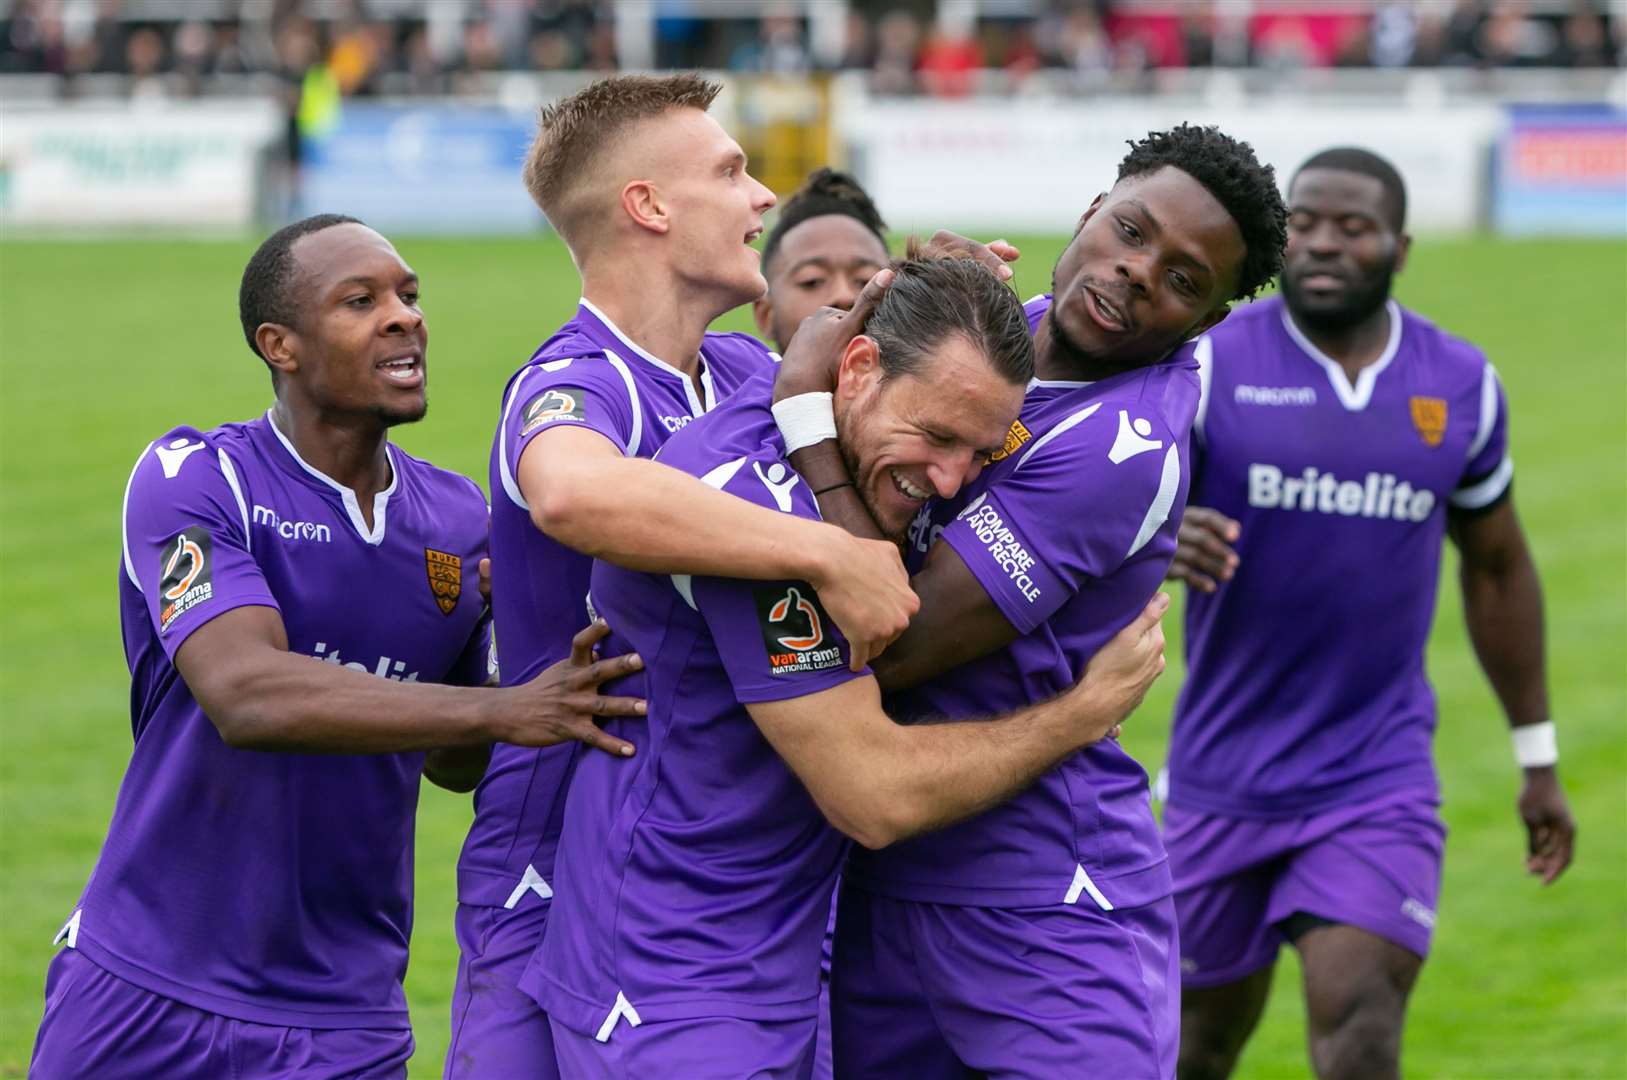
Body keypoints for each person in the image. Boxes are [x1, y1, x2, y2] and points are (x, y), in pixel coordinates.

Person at [28, 215, 647, 1079]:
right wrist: (505, 707)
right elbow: (245, 694)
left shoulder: (459, 519)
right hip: (147, 983)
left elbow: (453, 764)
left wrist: (503, 647)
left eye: (408, 295)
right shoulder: (199, 479)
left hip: (345, 1011)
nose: (403, 318)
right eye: (360, 301)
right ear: (278, 344)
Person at [527, 255, 1173, 1077]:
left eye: (979, 454)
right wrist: (1079, 716)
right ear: (860, 369)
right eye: (936, 436)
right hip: (672, 981)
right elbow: (874, 793)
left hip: (770, 966)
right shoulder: (750, 518)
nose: (947, 479)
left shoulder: (844, 461)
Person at [776, 125, 1288, 1078]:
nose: (1138, 272)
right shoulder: (988, 331)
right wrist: (899, 306)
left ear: (1208, 320)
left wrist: (808, 419)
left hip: (1043, 895)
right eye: (1132, 231)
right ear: (1093, 210)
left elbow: (891, 639)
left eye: (1182, 280)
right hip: (883, 875)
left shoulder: (1118, 448)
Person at [445, 75, 919, 1079]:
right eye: (732, 170)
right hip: (556, 851)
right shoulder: (576, 381)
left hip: (731, 864)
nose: (762, 199)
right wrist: (825, 552)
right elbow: (574, 495)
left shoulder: (750, 378)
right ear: (649, 206)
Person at [1163, 147, 1577, 1080]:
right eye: (1304, 221)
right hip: (1218, 775)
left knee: (1359, 1025)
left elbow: (1499, 567)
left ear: (1399, 245)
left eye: (1351, 228)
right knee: (1193, 1047)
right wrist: (1156, 539)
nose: (1321, 242)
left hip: (1374, 779)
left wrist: (1537, 756)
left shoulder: (1460, 384)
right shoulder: (1212, 362)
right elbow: (1103, 506)